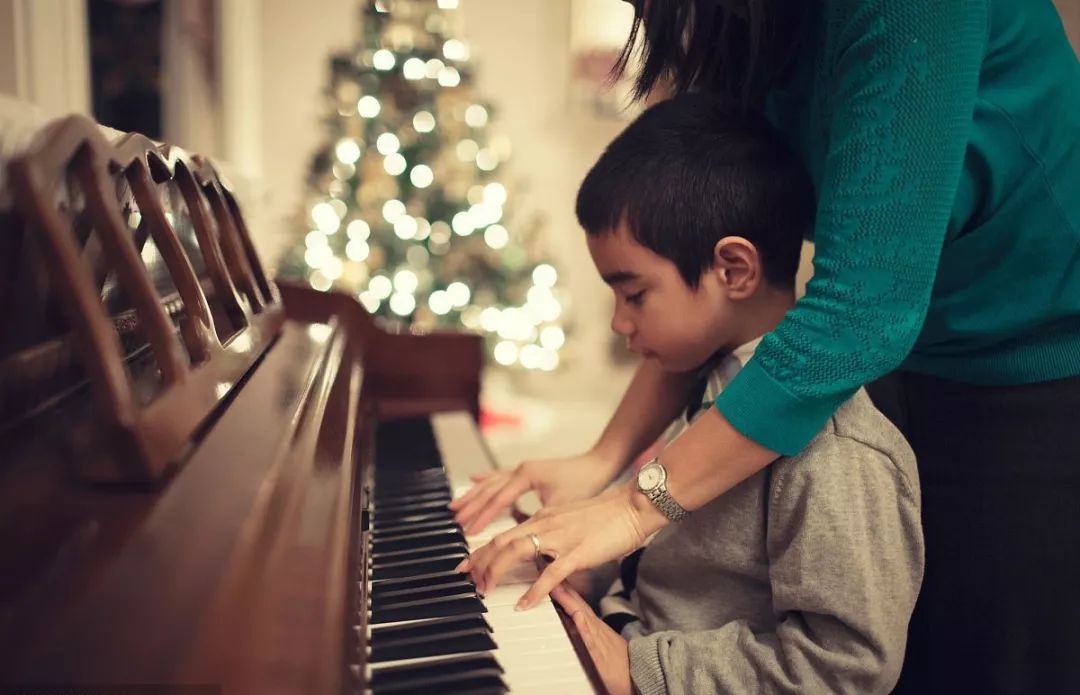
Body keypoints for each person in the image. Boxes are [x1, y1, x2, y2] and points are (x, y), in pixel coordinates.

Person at [454, 1, 1080, 692]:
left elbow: (859, 315)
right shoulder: (746, 31)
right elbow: (706, 307)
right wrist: (603, 469)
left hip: (1035, 370)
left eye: (632, 295)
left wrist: (634, 504)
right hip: (898, 350)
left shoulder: (839, 455)